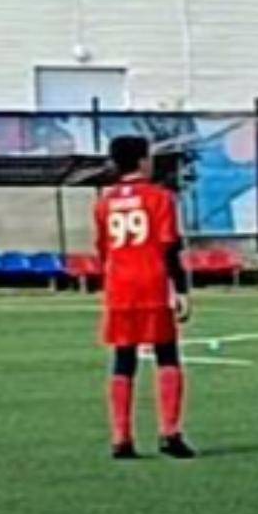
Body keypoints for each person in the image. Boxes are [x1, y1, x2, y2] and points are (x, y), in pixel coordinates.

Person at [94, 135, 195, 460]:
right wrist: (181, 289)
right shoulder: (160, 198)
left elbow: (104, 250)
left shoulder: (104, 202)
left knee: (124, 359)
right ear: (141, 161)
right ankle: (170, 433)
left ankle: (121, 438)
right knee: (167, 354)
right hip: (151, 284)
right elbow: (169, 246)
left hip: (119, 288)